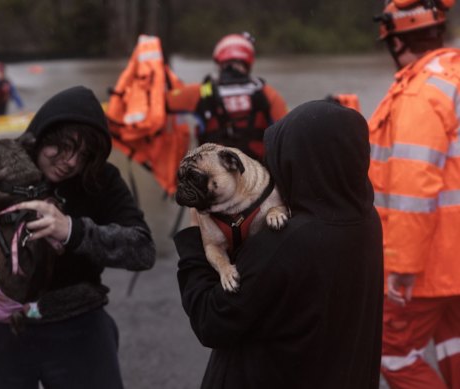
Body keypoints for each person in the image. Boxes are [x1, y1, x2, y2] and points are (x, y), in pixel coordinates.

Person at [0, 86, 156, 389]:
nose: (71, 162)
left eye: (84, 154)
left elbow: (143, 251)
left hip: (77, 319)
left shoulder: (100, 180)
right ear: (41, 135)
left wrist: (72, 231)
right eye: (63, 148)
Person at [174, 100, 384, 388]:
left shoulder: (285, 243)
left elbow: (211, 321)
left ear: (297, 161)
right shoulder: (365, 220)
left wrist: (193, 238)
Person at [370, 1, 460, 388]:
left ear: (396, 40)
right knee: (453, 342)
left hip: (428, 265)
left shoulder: (420, 94)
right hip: (452, 262)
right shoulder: (453, 77)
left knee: (392, 351)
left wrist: (403, 267)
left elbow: (412, 186)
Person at [166, 32, 288, 161]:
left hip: (212, 176)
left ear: (220, 61)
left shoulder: (199, 92)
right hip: (257, 176)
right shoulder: (267, 93)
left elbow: (162, 102)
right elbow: (287, 134)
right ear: (248, 62)